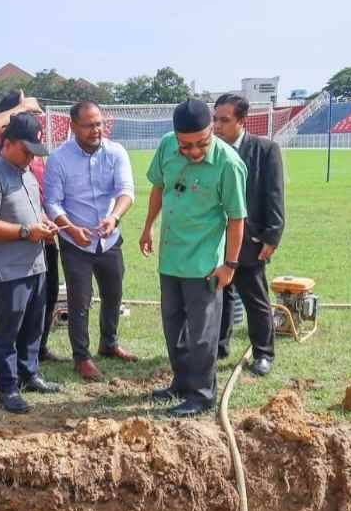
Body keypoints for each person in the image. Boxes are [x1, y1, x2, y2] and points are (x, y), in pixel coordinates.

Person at [139, 100, 247, 417]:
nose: (194, 151)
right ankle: (182, 382)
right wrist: (148, 226)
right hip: (171, 256)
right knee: (174, 326)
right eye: (186, 145)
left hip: (205, 263)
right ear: (175, 137)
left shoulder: (229, 164)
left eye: (202, 143)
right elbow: (159, 187)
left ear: (212, 129)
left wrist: (230, 265)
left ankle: (202, 393)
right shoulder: (166, 147)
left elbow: (237, 218)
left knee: (202, 333)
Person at [0, 113, 61, 414]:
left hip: (35, 265)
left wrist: (45, 224)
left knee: (33, 327)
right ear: (6, 144)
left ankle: (29, 373)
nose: (29, 158)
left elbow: (33, 214)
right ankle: (8, 388)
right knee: (8, 331)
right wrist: (27, 232)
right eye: (26, 151)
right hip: (8, 271)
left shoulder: (27, 175)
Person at [43, 101, 137, 381]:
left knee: (113, 294)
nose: (96, 130)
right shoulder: (59, 159)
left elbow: (126, 191)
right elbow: (52, 202)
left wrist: (115, 218)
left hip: (109, 240)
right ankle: (81, 357)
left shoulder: (116, 152)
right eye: (89, 125)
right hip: (75, 243)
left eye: (99, 124)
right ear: (73, 127)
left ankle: (108, 344)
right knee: (79, 300)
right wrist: (70, 229)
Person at [213, 94, 286, 376]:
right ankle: (219, 346)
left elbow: (275, 195)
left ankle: (263, 353)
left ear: (242, 121)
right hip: (216, 238)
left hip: (250, 239)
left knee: (254, 296)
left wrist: (272, 236)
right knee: (220, 293)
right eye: (215, 119)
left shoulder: (265, 150)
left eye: (225, 120)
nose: (217, 126)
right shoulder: (211, 151)